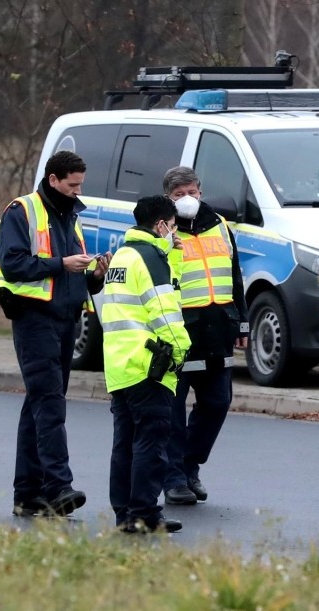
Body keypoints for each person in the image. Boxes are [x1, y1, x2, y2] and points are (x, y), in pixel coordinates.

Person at [0, 150, 110, 518]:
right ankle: (59, 487)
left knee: (39, 405)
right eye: (72, 185)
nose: (77, 191)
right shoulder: (21, 211)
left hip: (66, 319)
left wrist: (95, 277)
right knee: (50, 404)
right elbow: (13, 264)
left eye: (80, 185)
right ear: (53, 180)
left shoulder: (71, 216)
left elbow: (74, 274)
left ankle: (27, 495)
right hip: (34, 319)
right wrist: (61, 264)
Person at [102, 195, 192, 533]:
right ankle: (144, 514)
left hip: (120, 365)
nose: (175, 232)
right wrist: (182, 350)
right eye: (173, 225)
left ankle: (125, 514)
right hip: (149, 364)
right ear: (161, 225)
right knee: (151, 446)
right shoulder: (151, 257)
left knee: (124, 445)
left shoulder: (124, 256)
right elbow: (165, 310)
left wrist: (176, 257)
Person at [160, 166, 249, 505]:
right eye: (179, 194)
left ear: (201, 190)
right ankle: (173, 478)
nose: (187, 199)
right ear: (168, 197)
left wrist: (241, 324)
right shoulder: (162, 230)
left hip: (219, 329)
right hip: (179, 332)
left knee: (218, 403)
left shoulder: (220, 226)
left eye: (192, 192)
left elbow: (235, 277)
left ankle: (189, 465)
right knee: (172, 409)